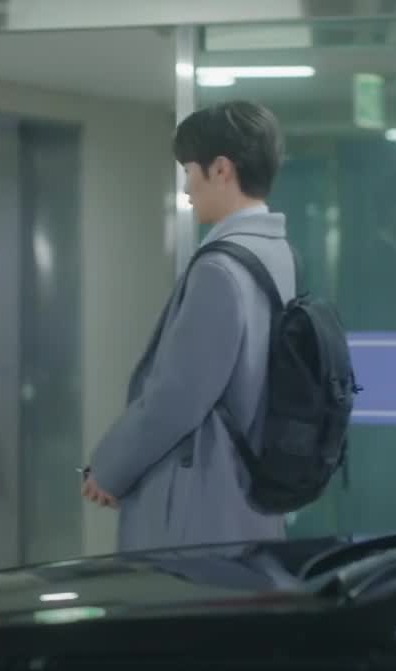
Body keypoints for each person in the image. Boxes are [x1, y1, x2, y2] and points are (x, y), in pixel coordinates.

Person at [83, 100, 294, 552]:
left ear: (221, 169)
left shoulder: (220, 270)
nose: (186, 187)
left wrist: (109, 468)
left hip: (203, 509)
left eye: (189, 170)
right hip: (250, 497)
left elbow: (177, 397)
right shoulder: (276, 252)